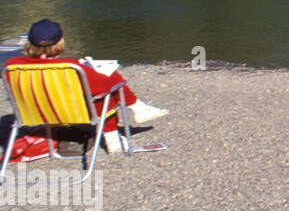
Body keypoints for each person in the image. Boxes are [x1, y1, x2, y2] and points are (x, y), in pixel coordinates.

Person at [3, 18, 167, 154]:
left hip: (34, 115)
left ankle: (139, 108)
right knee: (107, 87)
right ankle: (117, 134)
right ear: (60, 42)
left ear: (29, 42)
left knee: (100, 85)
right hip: (71, 114)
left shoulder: (12, 66)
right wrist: (102, 72)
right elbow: (102, 87)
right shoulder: (69, 66)